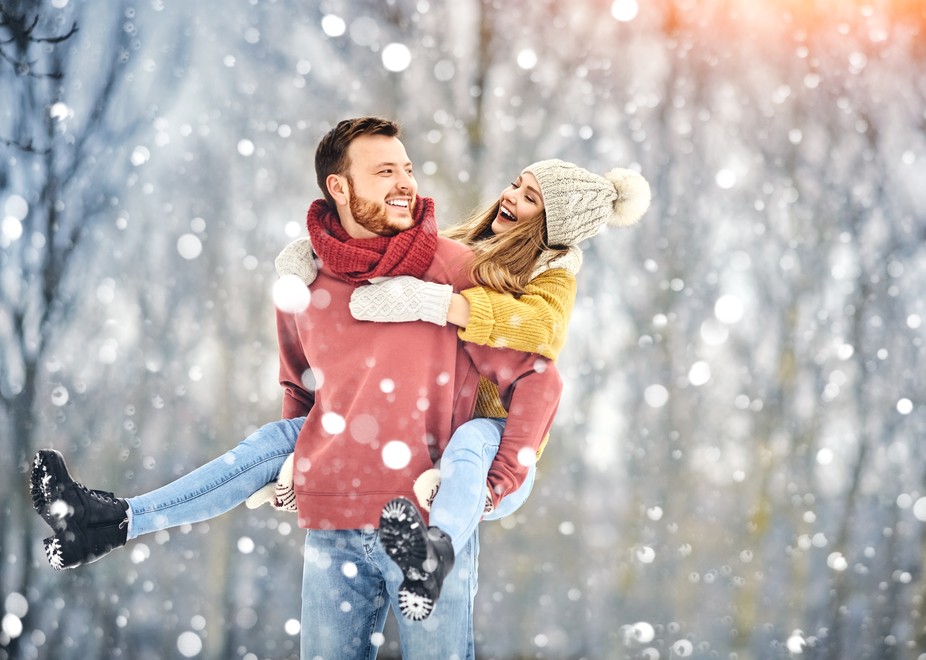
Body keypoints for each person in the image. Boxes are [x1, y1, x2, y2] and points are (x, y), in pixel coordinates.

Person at [30, 116, 563, 660]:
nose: (406, 182)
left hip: (422, 528)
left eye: (407, 169)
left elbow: (538, 375)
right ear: (339, 186)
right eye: (385, 171)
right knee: (265, 443)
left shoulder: (454, 270)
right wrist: (295, 469)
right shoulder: (305, 278)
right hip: (335, 523)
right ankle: (107, 521)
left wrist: (498, 481)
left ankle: (111, 520)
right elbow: (300, 388)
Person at [272, 158, 651, 620]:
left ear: (552, 227)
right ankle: (280, 472)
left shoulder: (553, 276)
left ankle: (439, 551)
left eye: (531, 198)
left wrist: (437, 302)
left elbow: (540, 328)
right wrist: (310, 253)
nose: (511, 196)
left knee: (468, 448)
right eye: (516, 183)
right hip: (442, 438)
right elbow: (385, 249)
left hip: (501, 444)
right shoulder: (465, 246)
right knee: (297, 441)